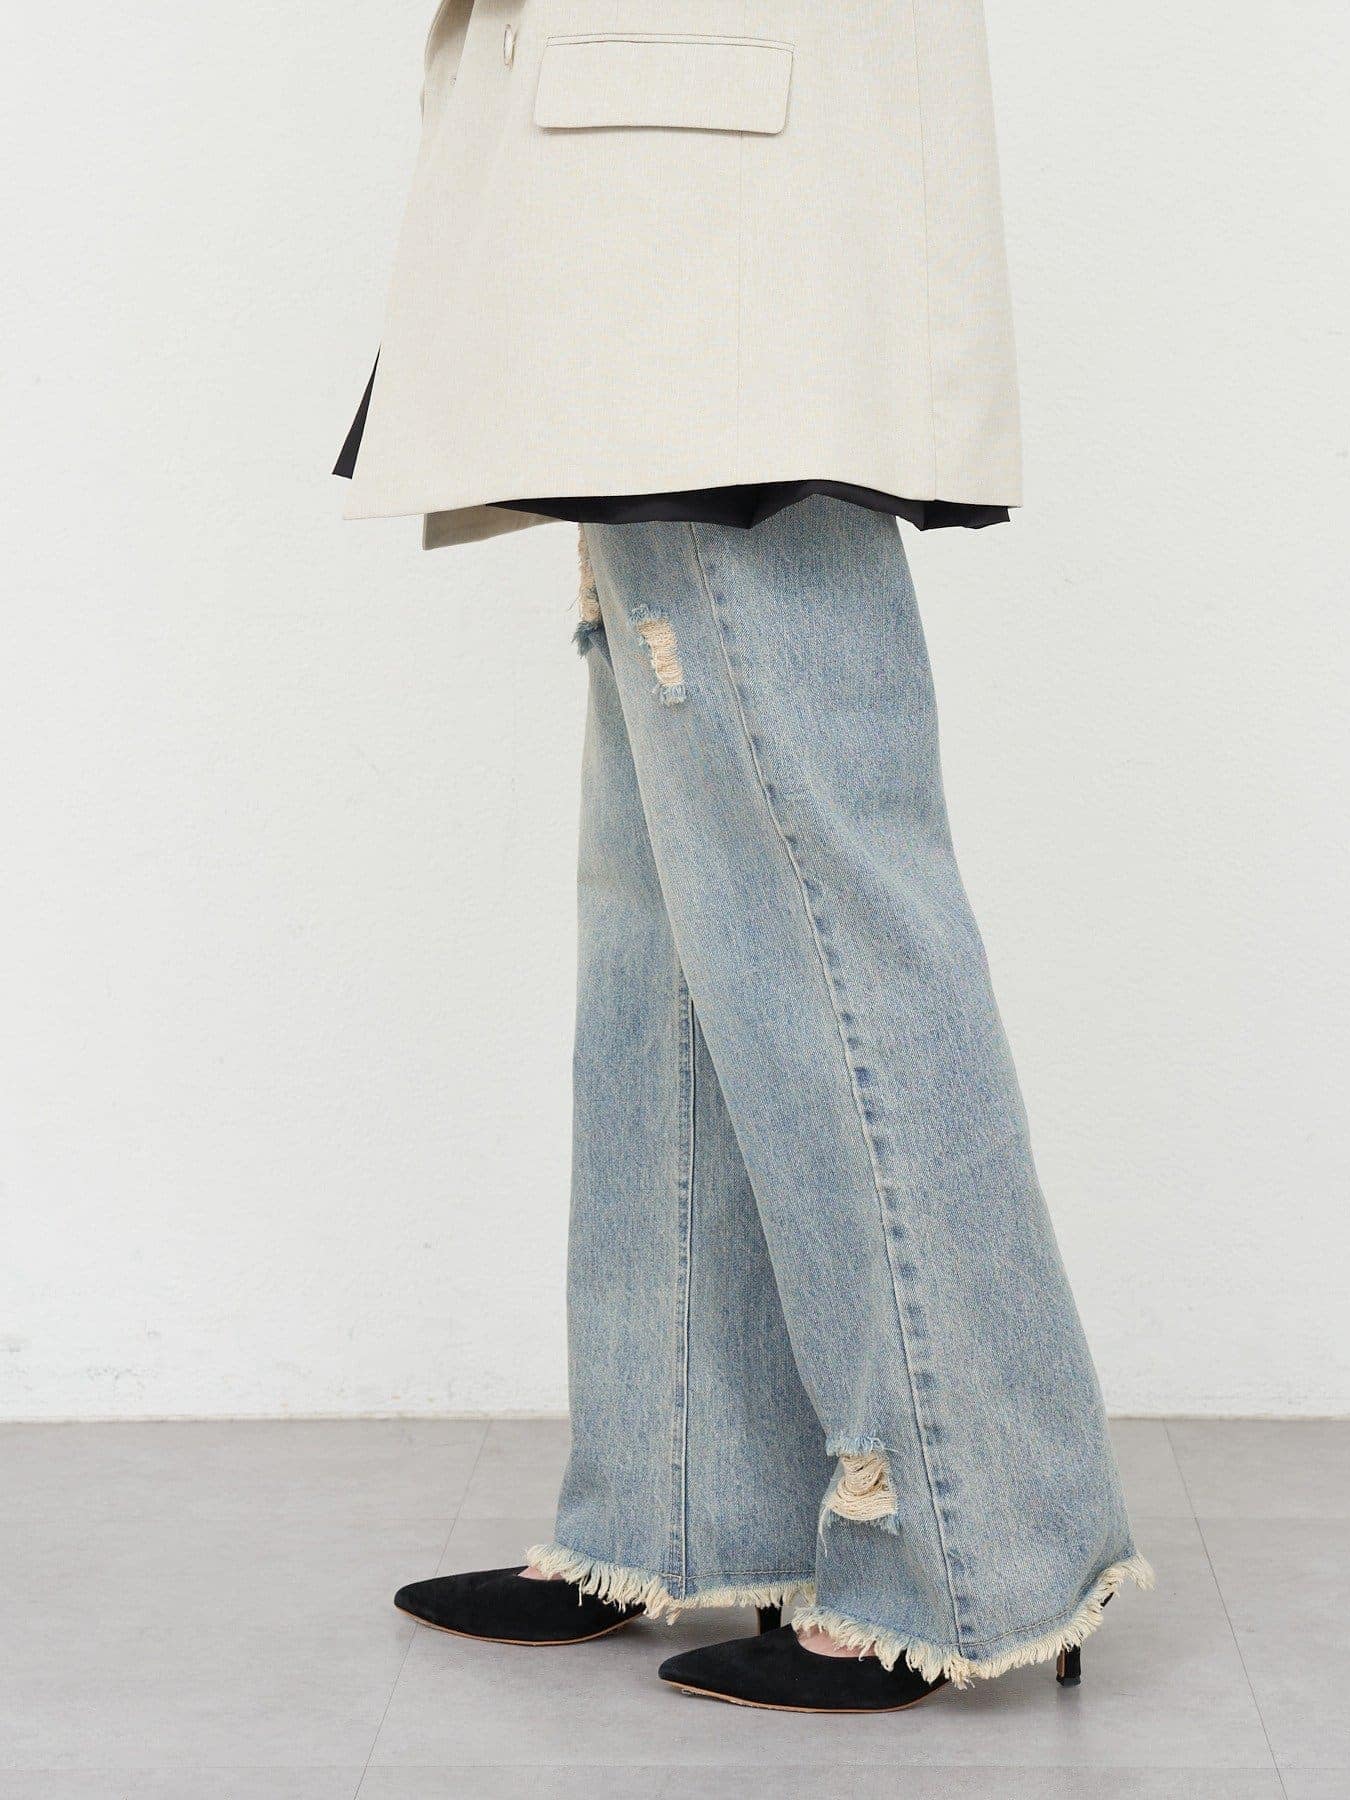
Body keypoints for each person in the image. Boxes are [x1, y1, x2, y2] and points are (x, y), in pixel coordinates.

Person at [338, 1, 1149, 1715]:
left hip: (716, 206)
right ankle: (685, 1500)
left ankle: (973, 1543)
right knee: (669, 914)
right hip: (658, 182)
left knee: (820, 892)